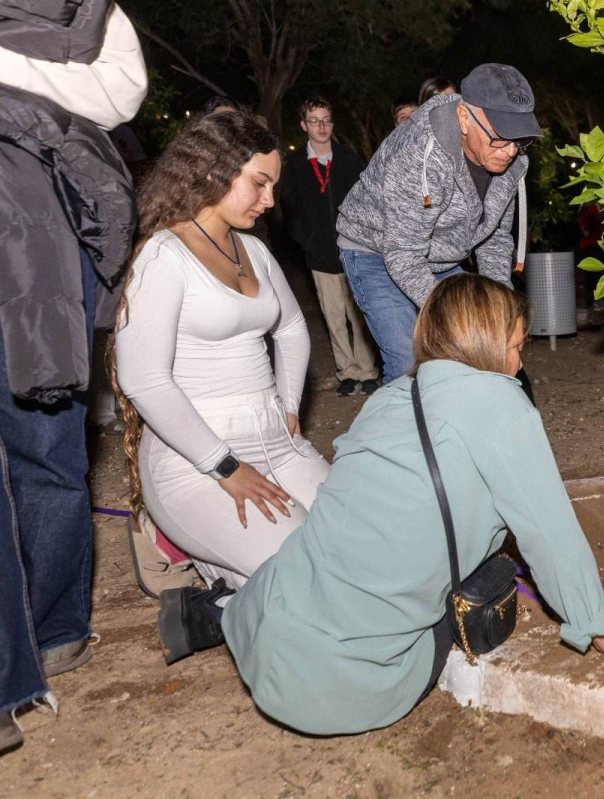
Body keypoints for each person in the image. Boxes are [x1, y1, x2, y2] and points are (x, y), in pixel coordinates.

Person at [155, 274, 604, 733]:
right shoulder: (501, 403)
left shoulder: (387, 398)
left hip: (263, 634)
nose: (518, 365)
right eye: (515, 347)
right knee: (483, 587)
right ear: (483, 343)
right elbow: (549, 535)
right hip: (344, 689)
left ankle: (214, 612)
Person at [0, 0, 145, 755]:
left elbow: (125, 89)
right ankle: (44, 639)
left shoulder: (80, 10)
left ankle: (55, 629)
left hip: (44, 243)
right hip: (46, 235)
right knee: (48, 450)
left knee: (48, 444)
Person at [114, 111, 331, 602]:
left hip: (275, 439)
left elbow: (292, 329)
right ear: (215, 170)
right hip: (196, 456)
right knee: (300, 571)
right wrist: (226, 466)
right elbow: (143, 379)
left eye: (273, 186)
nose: (269, 200)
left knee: (358, 541)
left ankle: (217, 572)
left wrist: (288, 405)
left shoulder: (253, 250)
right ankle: (205, 582)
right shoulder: (163, 255)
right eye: (259, 183)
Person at [337, 63, 538, 383]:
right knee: (408, 360)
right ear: (464, 118)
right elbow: (403, 253)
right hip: (375, 250)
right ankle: (400, 415)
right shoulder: (419, 151)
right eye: (500, 138)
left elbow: (495, 238)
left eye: (520, 139)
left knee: (472, 349)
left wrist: (498, 309)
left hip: (442, 253)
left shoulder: (513, 161)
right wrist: (458, 317)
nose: (511, 151)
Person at [280, 97, 379, 397]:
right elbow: (290, 210)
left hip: (354, 250)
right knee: (333, 316)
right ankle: (346, 371)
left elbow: (367, 200)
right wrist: (308, 241)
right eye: (314, 121)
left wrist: (362, 237)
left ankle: (367, 370)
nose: (321, 126)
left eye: (326, 120)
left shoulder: (349, 159)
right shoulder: (295, 165)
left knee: (358, 313)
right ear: (304, 125)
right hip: (318, 254)